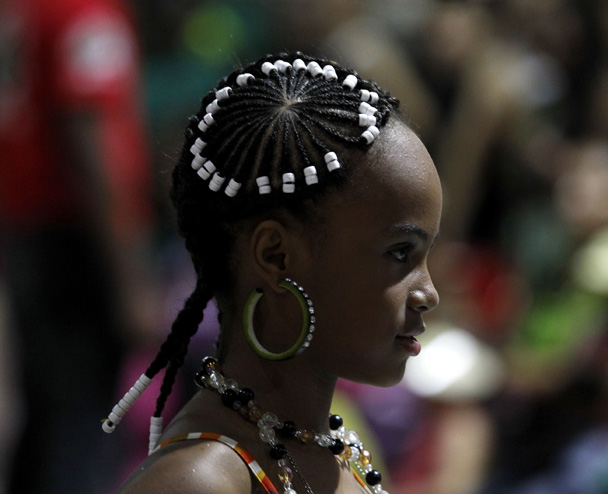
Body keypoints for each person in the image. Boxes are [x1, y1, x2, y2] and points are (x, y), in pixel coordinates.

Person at [105, 52, 442, 494]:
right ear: (277, 256)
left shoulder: (337, 450)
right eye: (401, 253)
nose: (429, 293)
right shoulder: (199, 482)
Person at [0, 0, 153, 492]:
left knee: (48, 415)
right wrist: (131, 282)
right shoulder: (82, 11)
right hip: (75, 244)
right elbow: (86, 132)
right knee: (84, 422)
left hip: (30, 233)